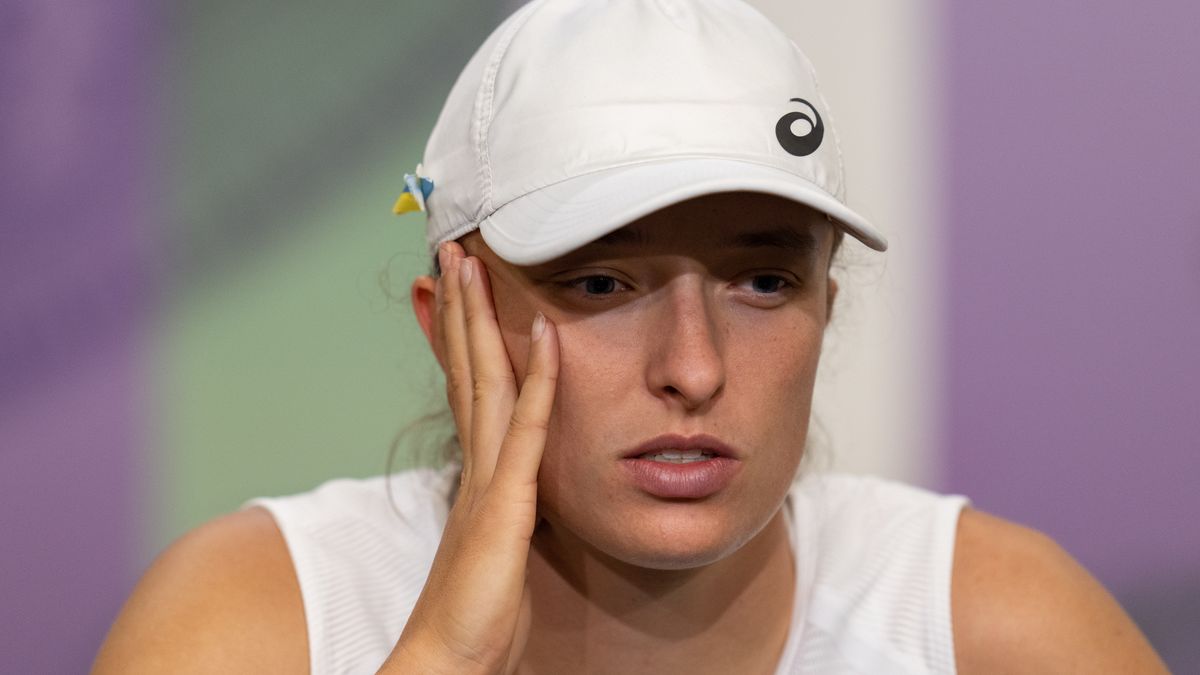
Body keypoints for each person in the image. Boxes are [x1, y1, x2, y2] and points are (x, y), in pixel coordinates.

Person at [94, 0, 1168, 673]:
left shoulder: (990, 630)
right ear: (451, 325)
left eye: (763, 279)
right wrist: (441, 662)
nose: (693, 369)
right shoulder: (259, 620)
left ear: (824, 314)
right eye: (601, 281)